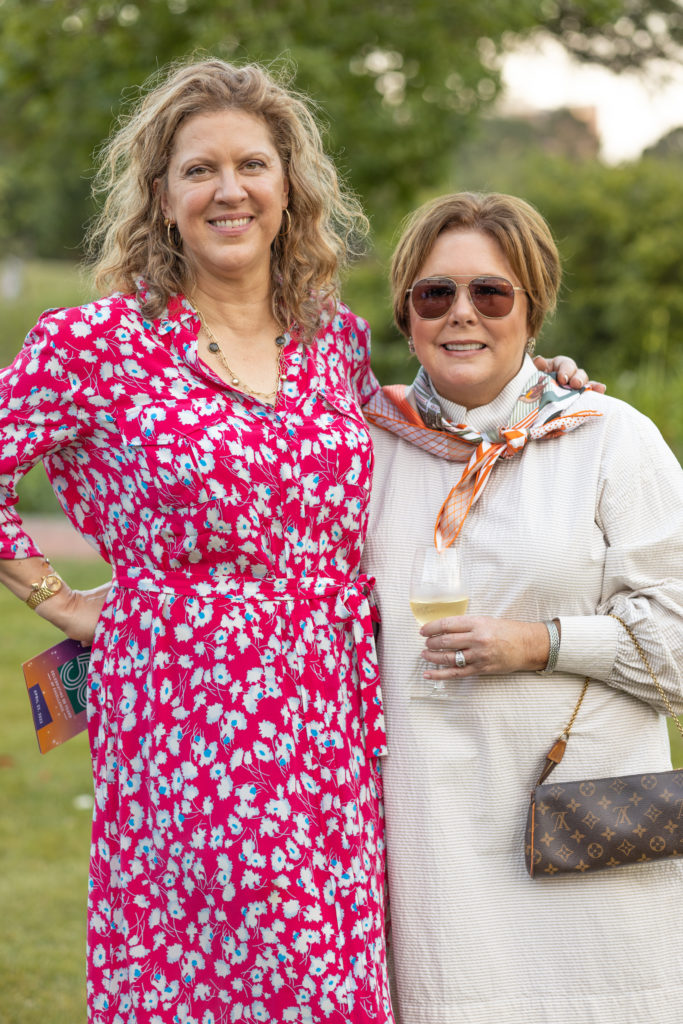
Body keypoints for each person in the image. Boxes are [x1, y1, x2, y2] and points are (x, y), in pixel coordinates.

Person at [0, 60, 590, 1022]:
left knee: (326, 970)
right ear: (162, 195)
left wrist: (540, 381)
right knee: (195, 965)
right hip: (183, 709)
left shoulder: (335, 342)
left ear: (289, 188)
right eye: (199, 170)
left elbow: (427, 429)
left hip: (332, 709)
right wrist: (55, 601)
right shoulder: (94, 345)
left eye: (252, 165)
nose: (228, 190)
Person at [362, 191, 683, 1023]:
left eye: (490, 294)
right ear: (405, 312)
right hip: (425, 855)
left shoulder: (608, 437)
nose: (460, 314)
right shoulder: (359, 450)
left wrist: (540, 643)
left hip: (586, 845)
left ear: (531, 308)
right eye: (435, 294)